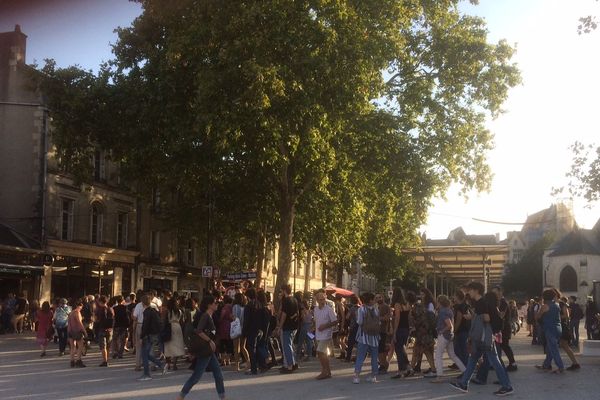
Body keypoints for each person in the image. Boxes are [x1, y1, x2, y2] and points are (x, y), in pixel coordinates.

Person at [449, 281, 514, 396]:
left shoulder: (482, 302)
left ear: (476, 290)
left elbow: (487, 318)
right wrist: (473, 316)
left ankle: (507, 386)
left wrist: (476, 317)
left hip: (485, 337)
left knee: (494, 361)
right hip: (482, 337)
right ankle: (464, 383)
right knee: (473, 359)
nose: (468, 292)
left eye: (470, 290)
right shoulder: (481, 302)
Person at [176, 295, 226, 400]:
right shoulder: (205, 316)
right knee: (196, 376)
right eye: (215, 303)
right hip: (205, 349)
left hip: (208, 350)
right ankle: (180, 396)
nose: (217, 304)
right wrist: (210, 341)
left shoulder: (210, 315)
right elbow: (198, 331)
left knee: (218, 375)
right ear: (209, 305)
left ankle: (223, 397)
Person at [431, 295, 465, 383]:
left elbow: (449, 325)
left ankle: (440, 376)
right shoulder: (449, 310)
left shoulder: (442, 312)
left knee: (438, 355)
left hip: (444, 335)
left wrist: (441, 331)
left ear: (440, 302)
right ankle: (465, 371)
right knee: (452, 355)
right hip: (450, 336)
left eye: (437, 302)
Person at [353, 292, 380, 384]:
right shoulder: (376, 309)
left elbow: (359, 322)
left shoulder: (361, 309)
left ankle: (356, 376)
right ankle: (373, 376)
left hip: (363, 336)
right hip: (375, 337)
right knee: (374, 357)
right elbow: (378, 322)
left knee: (360, 356)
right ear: (371, 300)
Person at [535, 288, 564, 373]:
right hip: (558, 328)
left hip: (550, 329)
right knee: (549, 348)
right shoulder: (556, 305)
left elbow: (537, 317)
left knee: (553, 349)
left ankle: (560, 367)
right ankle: (546, 365)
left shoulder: (545, 306)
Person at [139, 295, 166, 381]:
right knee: (146, 354)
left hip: (148, 335)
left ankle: (147, 374)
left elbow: (145, 325)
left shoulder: (146, 312)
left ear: (142, 303)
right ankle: (161, 365)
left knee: (144, 355)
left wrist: (141, 336)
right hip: (154, 334)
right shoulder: (154, 310)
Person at [274, 284, 299, 374]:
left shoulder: (286, 301)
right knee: (291, 345)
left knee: (287, 346)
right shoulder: (294, 299)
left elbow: (284, 315)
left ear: (284, 291)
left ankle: (289, 366)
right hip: (294, 326)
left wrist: (280, 327)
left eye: (281, 291)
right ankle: (294, 363)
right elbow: (297, 312)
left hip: (287, 326)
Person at [313, 289, 337, 379]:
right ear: (317, 300)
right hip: (318, 334)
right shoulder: (315, 309)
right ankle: (328, 371)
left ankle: (324, 371)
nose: (322, 301)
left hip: (326, 334)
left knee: (320, 351)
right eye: (320, 299)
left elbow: (335, 321)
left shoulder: (329, 309)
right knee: (323, 353)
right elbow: (316, 320)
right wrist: (312, 327)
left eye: (323, 299)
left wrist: (325, 326)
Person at [492, 286, 517, 371]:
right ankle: (495, 363)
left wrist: (494, 308)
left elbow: (501, 315)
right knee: (500, 346)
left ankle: (513, 364)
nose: (494, 294)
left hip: (505, 329)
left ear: (500, 292)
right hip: (500, 328)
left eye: (495, 292)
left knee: (505, 346)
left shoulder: (503, 302)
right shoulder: (498, 302)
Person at [391, 288, 411, 378]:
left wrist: (394, 332)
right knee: (402, 348)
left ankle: (401, 370)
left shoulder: (397, 305)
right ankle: (408, 368)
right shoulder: (407, 304)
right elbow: (409, 317)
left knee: (398, 349)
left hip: (400, 328)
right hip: (406, 328)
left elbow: (397, 318)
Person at [556, 294, 580, 371]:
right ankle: (575, 363)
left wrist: (556, 317)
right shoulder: (559, 304)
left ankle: (575, 363)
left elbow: (567, 315)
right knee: (563, 345)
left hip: (562, 326)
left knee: (564, 345)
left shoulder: (561, 304)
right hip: (561, 326)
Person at [165, 297, 186, 370]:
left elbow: (165, 320)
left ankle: (168, 364)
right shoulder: (179, 311)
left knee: (168, 345)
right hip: (177, 327)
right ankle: (174, 364)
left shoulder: (168, 311)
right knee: (177, 345)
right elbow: (182, 321)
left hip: (169, 327)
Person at [452, 289, 471, 367]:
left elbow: (459, 319)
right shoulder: (466, 305)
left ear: (457, 296)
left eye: (454, 295)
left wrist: (454, 330)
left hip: (460, 331)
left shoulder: (459, 307)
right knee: (464, 350)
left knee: (459, 351)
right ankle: (465, 368)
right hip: (466, 330)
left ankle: (465, 368)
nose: (453, 297)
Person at [95, 295, 114, 367]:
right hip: (109, 329)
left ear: (100, 302)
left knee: (103, 346)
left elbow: (97, 320)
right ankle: (107, 359)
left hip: (102, 328)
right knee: (108, 345)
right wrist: (111, 327)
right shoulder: (110, 309)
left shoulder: (100, 310)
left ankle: (104, 361)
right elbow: (113, 319)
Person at [231, 293, 249, 370]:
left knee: (236, 348)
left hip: (237, 328)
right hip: (244, 328)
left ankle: (236, 365)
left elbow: (234, 317)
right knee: (243, 347)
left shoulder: (235, 307)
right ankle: (249, 362)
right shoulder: (245, 307)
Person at [67, 299, 86, 368]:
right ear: (79, 306)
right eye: (81, 307)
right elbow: (79, 323)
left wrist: (68, 331)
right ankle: (78, 360)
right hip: (77, 331)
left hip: (70, 331)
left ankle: (72, 361)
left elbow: (69, 323)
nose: (81, 308)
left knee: (72, 347)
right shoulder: (77, 312)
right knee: (80, 346)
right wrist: (84, 331)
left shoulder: (70, 313)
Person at [375, 293, 391, 374]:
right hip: (377, 331)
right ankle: (382, 364)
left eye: (380, 297)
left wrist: (377, 318)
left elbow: (387, 318)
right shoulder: (377, 307)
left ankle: (383, 365)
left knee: (381, 349)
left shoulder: (385, 306)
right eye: (377, 297)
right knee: (379, 349)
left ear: (383, 298)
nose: (378, 299)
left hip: (383, 330)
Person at [217, 296, 234, 367]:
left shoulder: (225, 308)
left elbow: (221, 316)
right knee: (229, 344)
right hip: (230, 325)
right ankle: (228, 360)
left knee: (223, 343)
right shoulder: (232, 308)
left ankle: (223, 361)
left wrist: (219, 321)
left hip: (224, 326)